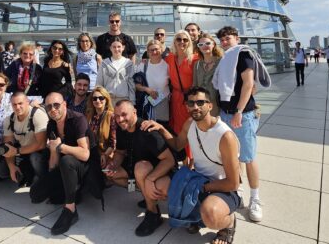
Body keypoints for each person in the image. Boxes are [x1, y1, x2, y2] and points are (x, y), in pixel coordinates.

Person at [142, 87, 242, 243]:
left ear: (210, 106)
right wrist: (161, 128)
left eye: (201, 102)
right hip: (198, 179)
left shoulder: (225, 136)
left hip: (222, 188)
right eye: (191, 103)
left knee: (211, 214)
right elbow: (176, 145)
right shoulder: (190, 124)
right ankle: (195, 218)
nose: (195, 107)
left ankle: (228, 223)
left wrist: (203, 188)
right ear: (187, 106)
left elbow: (233, 183)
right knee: (160, 186)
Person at [213, 26, 271, 223]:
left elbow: (249, 84)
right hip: (225, 113)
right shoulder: (226, 58)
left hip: (242, 114)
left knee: (248, 156)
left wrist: (239, 110)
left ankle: (255, 199)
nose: (225, 42)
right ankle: (238, 190)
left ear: (236, 38)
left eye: (228, 38)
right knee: (232, 156)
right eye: (222, 39)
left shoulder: (243, 54)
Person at [105, 99, 175, 237]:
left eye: (124, 114)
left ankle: (153, 213)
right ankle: (146, 193)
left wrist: (150, 179)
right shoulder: (121, 128)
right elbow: (120, 152)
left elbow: (170, 161)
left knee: (141, 168)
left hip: (159, 172)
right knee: (111, 174)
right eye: (117, 116)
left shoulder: (147, 130)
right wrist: (113, 165)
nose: (120, 119)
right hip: (134, 168)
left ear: (134, 112)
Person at [34, 93, 94, 235]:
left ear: (65, 105)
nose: (53, 109)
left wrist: (61, 147)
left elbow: (85, 155)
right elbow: (54, 160)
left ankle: (70, 210)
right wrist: (51, 179)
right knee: (36, 195)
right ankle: (74, 192)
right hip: (65, 167)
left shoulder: (78, 119)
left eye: (56, 105)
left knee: (66, 160)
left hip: (85, 166)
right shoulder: (51, 125)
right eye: (49, 107)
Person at [0, 92, 49, 189]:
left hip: (40, 152)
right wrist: (11, 167)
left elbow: (41, 144)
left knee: (35, 158)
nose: (17, 107)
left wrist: (17, 151)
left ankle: (43, 179)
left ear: (27, 102)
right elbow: (8, 146)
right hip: (23, 152)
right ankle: (27, 174)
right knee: (1, 172)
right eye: (14, 104)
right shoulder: (9, 120)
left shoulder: (37, 115)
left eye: (20, 103)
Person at [165, 30, 199, 146]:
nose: (182, 42)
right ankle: (183, 157)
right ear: (174, 42)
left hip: (189, 98)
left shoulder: (195, 59)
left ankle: (192, 157)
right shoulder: (170, 58)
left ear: (189, 42)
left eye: (185, 40)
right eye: (179, 39)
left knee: (190, 126)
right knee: (177, 126)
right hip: (176, 97)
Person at [134, 39, 170, 124]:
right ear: (147, 52)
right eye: (151, 50)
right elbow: (136, 84)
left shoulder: (167, 65)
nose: (154, 52)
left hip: (163, 103)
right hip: (146, 103)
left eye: (156, 49)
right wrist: (147, 89)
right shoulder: (143, 65)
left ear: (161, 50)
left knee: (162, 128)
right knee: (147, 129)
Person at [85, 87, 117, 168]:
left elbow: (113, 143)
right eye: (94, 98)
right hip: (90, 153)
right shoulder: (88, 116)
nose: (98, 101)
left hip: (106, 154)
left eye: (101, 98)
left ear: (106, 99)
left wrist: (105, 155)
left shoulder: (111, 116)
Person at [96, 36, 136, 102]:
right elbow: (99, 83)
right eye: (114, 47)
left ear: (123, 48)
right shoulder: (104, 63)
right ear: (110, 48)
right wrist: (100, 99)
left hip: (124, 99)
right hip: (108, 99)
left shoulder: (129, 63)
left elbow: (131, 85)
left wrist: (132, 101)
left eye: (119, 47)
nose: (116, 49)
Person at [193, 33, 223, 116]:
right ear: (198, 47)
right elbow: (195, 85)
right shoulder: (197, 64)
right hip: (201, 104)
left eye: (208, 43)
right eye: (201, 44)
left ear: (213, 44)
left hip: (217, 104)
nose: (204, 46)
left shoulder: (221, 62)